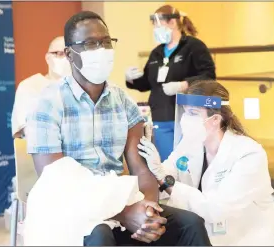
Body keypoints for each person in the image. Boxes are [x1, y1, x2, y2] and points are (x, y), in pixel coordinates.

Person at [26, 11, 211, 246]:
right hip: (71, 209)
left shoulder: (124, 103)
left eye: (105, 42)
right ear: (70, 55)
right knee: (100, 235)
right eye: (91, 43)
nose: (101, 49)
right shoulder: (48, 104)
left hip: (123, 200)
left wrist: (147, 211)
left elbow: (140, 167)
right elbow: (56, 182)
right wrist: (124, 214)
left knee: (190, 224)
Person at [137, 80, 274, 246]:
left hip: (249, 237)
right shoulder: (189, 145)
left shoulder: (248, 154)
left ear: (215, 119)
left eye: (193, 113)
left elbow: (216, 209)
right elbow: (165, 177)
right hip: (209, 235)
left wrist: (163, 178)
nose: (185, 119)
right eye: (185, 112)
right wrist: (149, 166)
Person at [126, 5, 216, 163]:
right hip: (161, 116)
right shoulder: (157, 53)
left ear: (173, 23)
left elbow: (209, 76)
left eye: (157, 23)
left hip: (187, 114)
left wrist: (184, 85)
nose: (155, 28)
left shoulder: (193, 47)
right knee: (168, 162)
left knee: (187, 163)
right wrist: (131, 79)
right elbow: (148, 83)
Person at [11, 36, 71, 138]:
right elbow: (26, 130)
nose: (66, 58)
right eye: (61, 54)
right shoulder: (29, 86)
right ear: (48, 58)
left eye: (70, 54)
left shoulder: (84, 87)